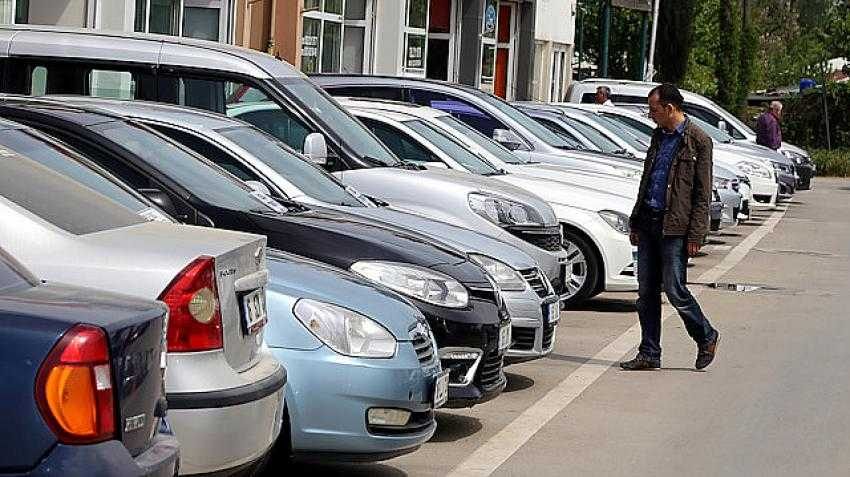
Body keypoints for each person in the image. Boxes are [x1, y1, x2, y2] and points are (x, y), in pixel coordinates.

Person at [620, 83, 720, 371]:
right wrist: (636, 219)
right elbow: (648, 180)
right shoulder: (658, 136)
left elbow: (702, 192)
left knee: (675, 289)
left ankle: (706, 335)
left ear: (670, 109)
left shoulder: (698, 140)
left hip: (675, 227)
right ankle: (649, 352)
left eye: (653, 109)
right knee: (646, 292)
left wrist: (696, 234)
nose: (650, 114)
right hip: (650, 221)